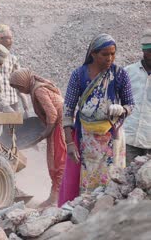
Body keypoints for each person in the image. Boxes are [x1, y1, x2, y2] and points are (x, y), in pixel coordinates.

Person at [58, 34, 134, 206]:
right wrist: (69, 143)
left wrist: (122, 109)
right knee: (87, 182)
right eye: (105, 54)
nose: (110, 58)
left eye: (113, 54)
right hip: (87, 139)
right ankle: (85, 213)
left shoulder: (119, 74)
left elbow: (131, 104)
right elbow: (68, 109)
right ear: (93, 54)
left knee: (112, 181)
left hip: (112, 137)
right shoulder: (79, 75)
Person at [9, 69, 66, 208]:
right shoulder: (38, 86)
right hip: (61, 124)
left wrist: (44, 134)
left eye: (19, 87)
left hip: (60, 126)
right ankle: (59, 196)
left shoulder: (38, 91)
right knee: (57, 161)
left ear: (24, 82)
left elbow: (52, 114)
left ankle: (56, 198)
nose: (20, 90)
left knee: (58, 162)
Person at [124, 29, 151, 165]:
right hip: (128, 139)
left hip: (149, 141)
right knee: (126, 180)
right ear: (144, 51)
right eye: (149, 51)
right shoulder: (128, 72)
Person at [0, 24, 30, 115]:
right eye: (9, 38)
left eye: (12, 38)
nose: (11, 41)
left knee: (11, 128)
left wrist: (25, 103)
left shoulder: (13, 59)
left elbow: (19, 81)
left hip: (12, 101)